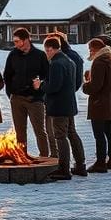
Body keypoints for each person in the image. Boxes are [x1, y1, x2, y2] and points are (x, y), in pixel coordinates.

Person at [34, 36, 85, 181]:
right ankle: (80, 165)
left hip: (58, 105)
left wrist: (41, 85)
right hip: (69, 104)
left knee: (60, 137)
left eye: (47, 51)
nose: (46, 54)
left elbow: (54, 87)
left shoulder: (56, 63)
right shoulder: (69, 61)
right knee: (72, 133)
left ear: (51, 49)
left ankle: (64, 169)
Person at [3, 28, 50, 156]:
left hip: (34, 99)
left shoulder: (39, 55)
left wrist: (39, 90)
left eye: (18, 41)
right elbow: (7, 75)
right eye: (14, 41)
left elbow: (47, 75)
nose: (16, 44)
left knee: (40, 131)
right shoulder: (13, 55)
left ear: (26, 40)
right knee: (20, 131)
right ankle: (21, 157)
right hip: (17, 98)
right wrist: (11, 93)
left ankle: (45, 158)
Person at [82, 37, 111, 172]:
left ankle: (100, 162)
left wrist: (86, 85)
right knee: (108, 131)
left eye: (90, 48)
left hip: (98, 103)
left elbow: (96, 86)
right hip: (107, 101)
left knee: (99, 134)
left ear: (95, 49)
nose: (90, 51)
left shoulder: (99, 62)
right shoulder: (108, 60)